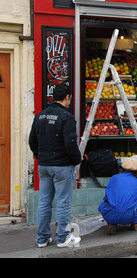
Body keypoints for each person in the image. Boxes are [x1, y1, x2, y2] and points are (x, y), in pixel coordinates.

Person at [29, 83, 82, 248]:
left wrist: (41, 156)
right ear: (68, 97)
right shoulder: (66, 117)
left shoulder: (40, 116)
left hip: (44, 165)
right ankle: (63, 237)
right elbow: (71, 144)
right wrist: (76, 160)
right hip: (62, 166)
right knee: (63, 201)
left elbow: (32, 141)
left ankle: (42, 238)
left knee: (44, 201)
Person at [98, 159, 137, 235]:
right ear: (136, 172)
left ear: (122, 169)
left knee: (102, 205)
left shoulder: (114, 178)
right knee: (136, 200)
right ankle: (136, 223)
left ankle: (111, 224)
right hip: (130, 216)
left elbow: (106, 198)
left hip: (110, 215)